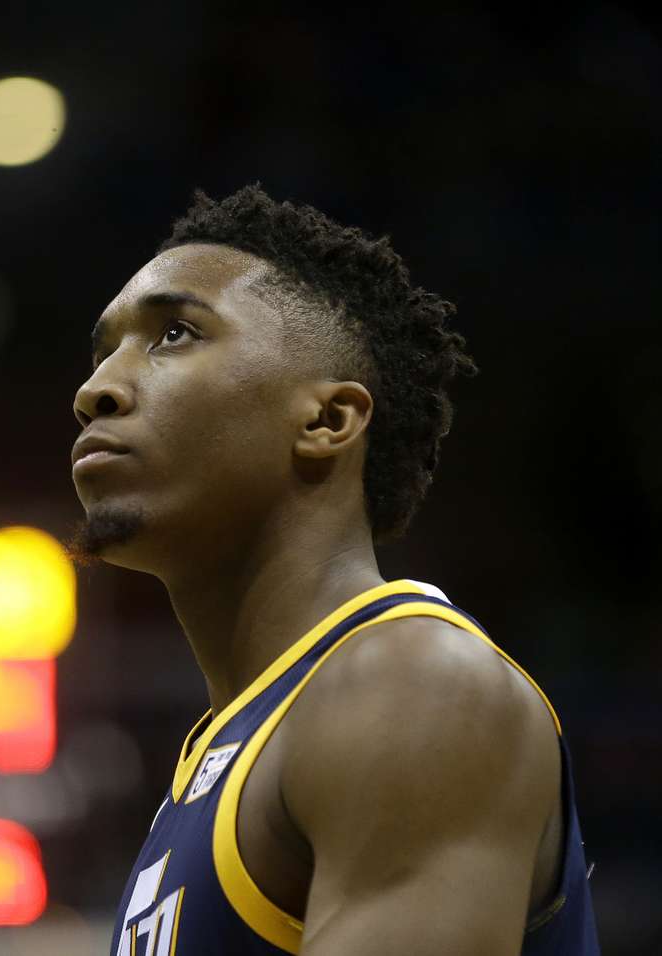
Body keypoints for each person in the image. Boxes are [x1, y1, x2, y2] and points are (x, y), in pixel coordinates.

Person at [67, 184, 599, 955]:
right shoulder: (230, 745)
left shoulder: (411, 686)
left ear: (326, 420)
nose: (96, 391)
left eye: (175, 334)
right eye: (101, 352)